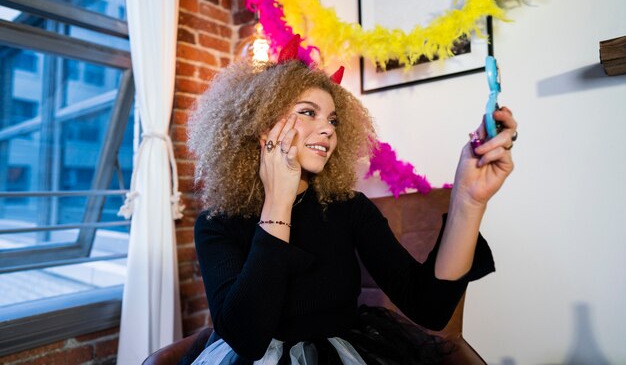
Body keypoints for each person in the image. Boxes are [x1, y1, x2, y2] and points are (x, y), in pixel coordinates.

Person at [184, 41, 517, 365]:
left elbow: (429, 307)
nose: (327, 130)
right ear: (262, 128)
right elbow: (246, 337)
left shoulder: (349, 207)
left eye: (332, 120)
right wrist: (279, 200)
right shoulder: (217, 224)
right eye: (308, 112)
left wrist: (467, 200)